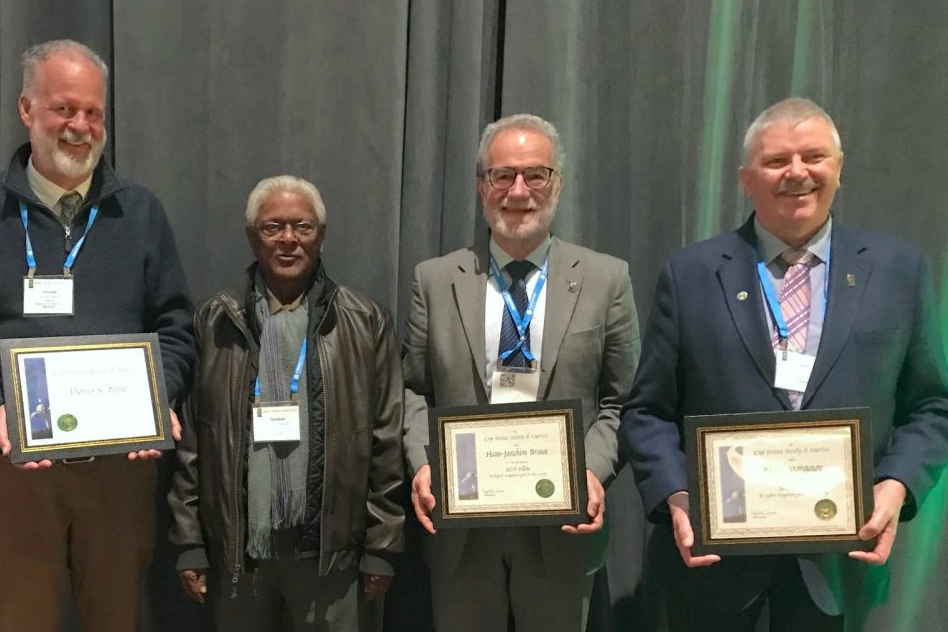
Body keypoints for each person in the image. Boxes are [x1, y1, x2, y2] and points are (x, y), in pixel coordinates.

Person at [620, 98, 948, 630]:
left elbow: (933, 405)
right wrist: (678, 497)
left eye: (814, 156)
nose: (797, 172)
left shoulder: (900, 271)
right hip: (715, 564)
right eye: (776, 162)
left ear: (838, 169)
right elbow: (648, 411)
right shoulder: (691, 274)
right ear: (747, 179)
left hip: (841, 565)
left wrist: (898, 484)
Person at [0, 39, 195, 631]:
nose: (81, 126)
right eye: (64, 109)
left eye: (93, 112)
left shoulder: (140, 213)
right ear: (27, 109)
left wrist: (160, 396)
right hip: (13, 471)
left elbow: (176, 328)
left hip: (120, 470)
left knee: (115, 619)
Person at [403, 114, 641, 631]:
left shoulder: (606, 279)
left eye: (535, 175)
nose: (518, 191)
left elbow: (626, 401)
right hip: (461, 525)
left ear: (557, 183)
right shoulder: (435, 280)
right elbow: (412, 390)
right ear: (479, 186)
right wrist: (423, 464)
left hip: (561, 521)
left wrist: (592, 471)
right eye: (501, 175)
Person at [168, 175, 404, 630]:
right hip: (239, 558)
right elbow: (192, 442)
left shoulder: (365, 320)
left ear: (322, 235)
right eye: (273, 227)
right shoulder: (214, 321)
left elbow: (386, 440)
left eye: (303, 227)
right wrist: (188, 542)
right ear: (252, 237)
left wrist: (382, 548)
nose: (289, 240)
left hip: (330, 558)